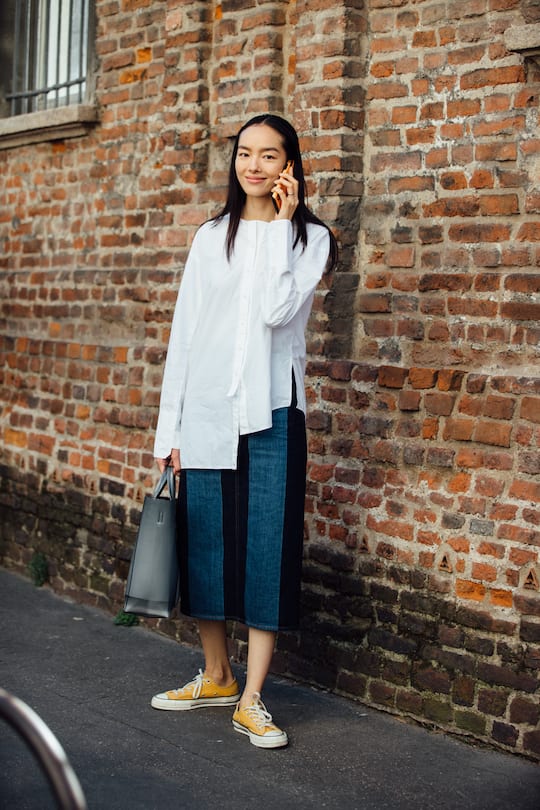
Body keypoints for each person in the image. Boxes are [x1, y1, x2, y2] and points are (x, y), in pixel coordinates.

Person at [150, 114, 338, 749]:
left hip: (273, 411)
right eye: (245, 153)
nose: (254, 166)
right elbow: (184, 335)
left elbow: (274, 311)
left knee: (268, 546)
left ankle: (253, 698)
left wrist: (282, 227)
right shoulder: (210, 237)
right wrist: (167, 428)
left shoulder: (310, 239)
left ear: (290, 165)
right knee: (204, 542)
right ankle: (217, 673)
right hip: (205, 410)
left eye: (269, 155)